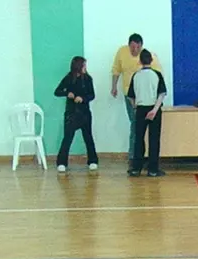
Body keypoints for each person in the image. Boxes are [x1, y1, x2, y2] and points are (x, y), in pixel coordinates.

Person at [110, 33, 160, 169]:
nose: (134, 51)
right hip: (130, 96)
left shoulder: (149, 57)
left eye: (137, 48)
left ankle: (144, 158)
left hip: (147, 99)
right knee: (135, 125)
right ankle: (134, 157)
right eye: (132, 48)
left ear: (141, 46)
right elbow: (116, 70)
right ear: (128, 45)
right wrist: (114, 87)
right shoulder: (121, 52)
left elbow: (158, 79)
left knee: (144, 128)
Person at [127, 49, 167, 178]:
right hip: (154, 109)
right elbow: (161, 94)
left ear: (139, 61)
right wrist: (155, 110)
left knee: (138, 139)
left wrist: (135, 108)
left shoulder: (136, 75)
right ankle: (153, 170)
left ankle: (136, 169)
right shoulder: (157, 75)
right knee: (154, 139)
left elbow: (131, 96)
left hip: (140, 109)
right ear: (151, 60)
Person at [54, 56, 98, 173]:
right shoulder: (68, 78)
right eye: (84, 65)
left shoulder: (88, 79)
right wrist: (67, 93)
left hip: (84, 113)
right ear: (78, 66)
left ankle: (93, 160)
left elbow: (92, 95)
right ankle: (62, 162)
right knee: (68, 138)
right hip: (71, 113)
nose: (85, 68)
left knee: (88, 137)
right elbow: (57, 91)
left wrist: (83, 98)